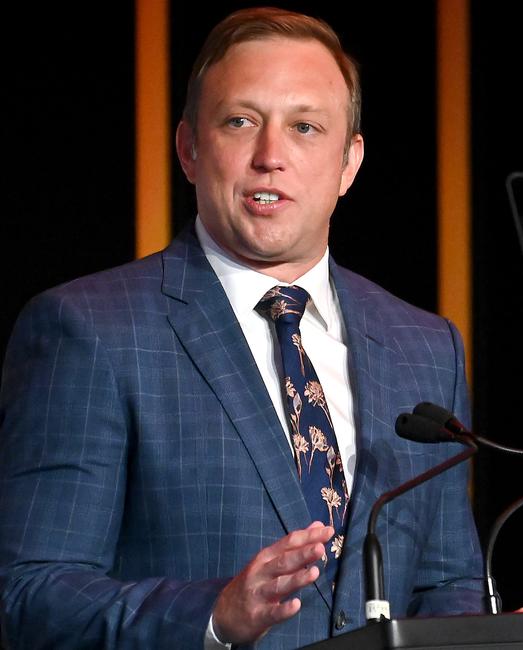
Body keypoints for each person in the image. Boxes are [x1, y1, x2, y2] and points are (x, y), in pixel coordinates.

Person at [0, 7, 484, 649]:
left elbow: (448, 585)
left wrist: (490, 635)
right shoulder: (88, 330)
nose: (270, 156)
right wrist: (212, 615)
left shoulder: (426, 348)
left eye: (306, 127)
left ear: (349, 163)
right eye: (240, 122)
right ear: (190, 149)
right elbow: (30, 595)